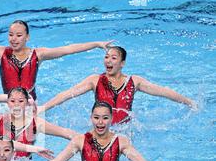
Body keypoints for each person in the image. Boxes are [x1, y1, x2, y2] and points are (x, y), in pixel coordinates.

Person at [36, 101, 192, 161]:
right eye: (96, 117)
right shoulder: (80, 140)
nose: (100, 122)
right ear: (91, 118)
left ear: (111, 119)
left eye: (105, 118)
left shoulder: (121, 142)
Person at [39, 46, 196, 125]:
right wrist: (42, 108)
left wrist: (190, 102)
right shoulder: (95, 80)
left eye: (113, 58)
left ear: (122, 63)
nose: (108, 60)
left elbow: (164, 92)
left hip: (125, 129)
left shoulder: (134, 82)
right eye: (106, 57)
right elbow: (67, 94)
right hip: (100, 127)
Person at [0, 87, 77, 161]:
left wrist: (87, 140)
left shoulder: (36, 123)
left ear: (26, 103)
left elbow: (65, 133)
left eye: (20, 101)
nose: (16, 105)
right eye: (12, 101)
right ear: (7, 102)